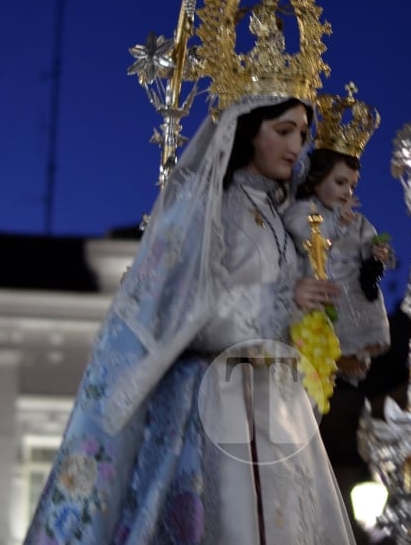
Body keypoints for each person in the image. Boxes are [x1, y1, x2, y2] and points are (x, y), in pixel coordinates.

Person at [23, 96, 357, 545]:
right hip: (217, 403)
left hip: (274, 406)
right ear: (248, 132)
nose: (296, 144)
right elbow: (187, 307)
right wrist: (283, 300)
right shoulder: (213, 207)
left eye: (302, 132)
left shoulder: (283, 218)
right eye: (283, 130)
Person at [282, 85, 392, 384]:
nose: (348, 193)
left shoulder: (355, 219)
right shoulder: (301, 210)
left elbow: (369, 242)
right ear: (317, 181)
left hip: (352, 287)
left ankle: (356, 352)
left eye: (353, 186)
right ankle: (336, 353)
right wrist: (338, 225)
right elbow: (310, 240)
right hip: (321, 284)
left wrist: (378, 253)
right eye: (341, 183)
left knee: (363, 299)